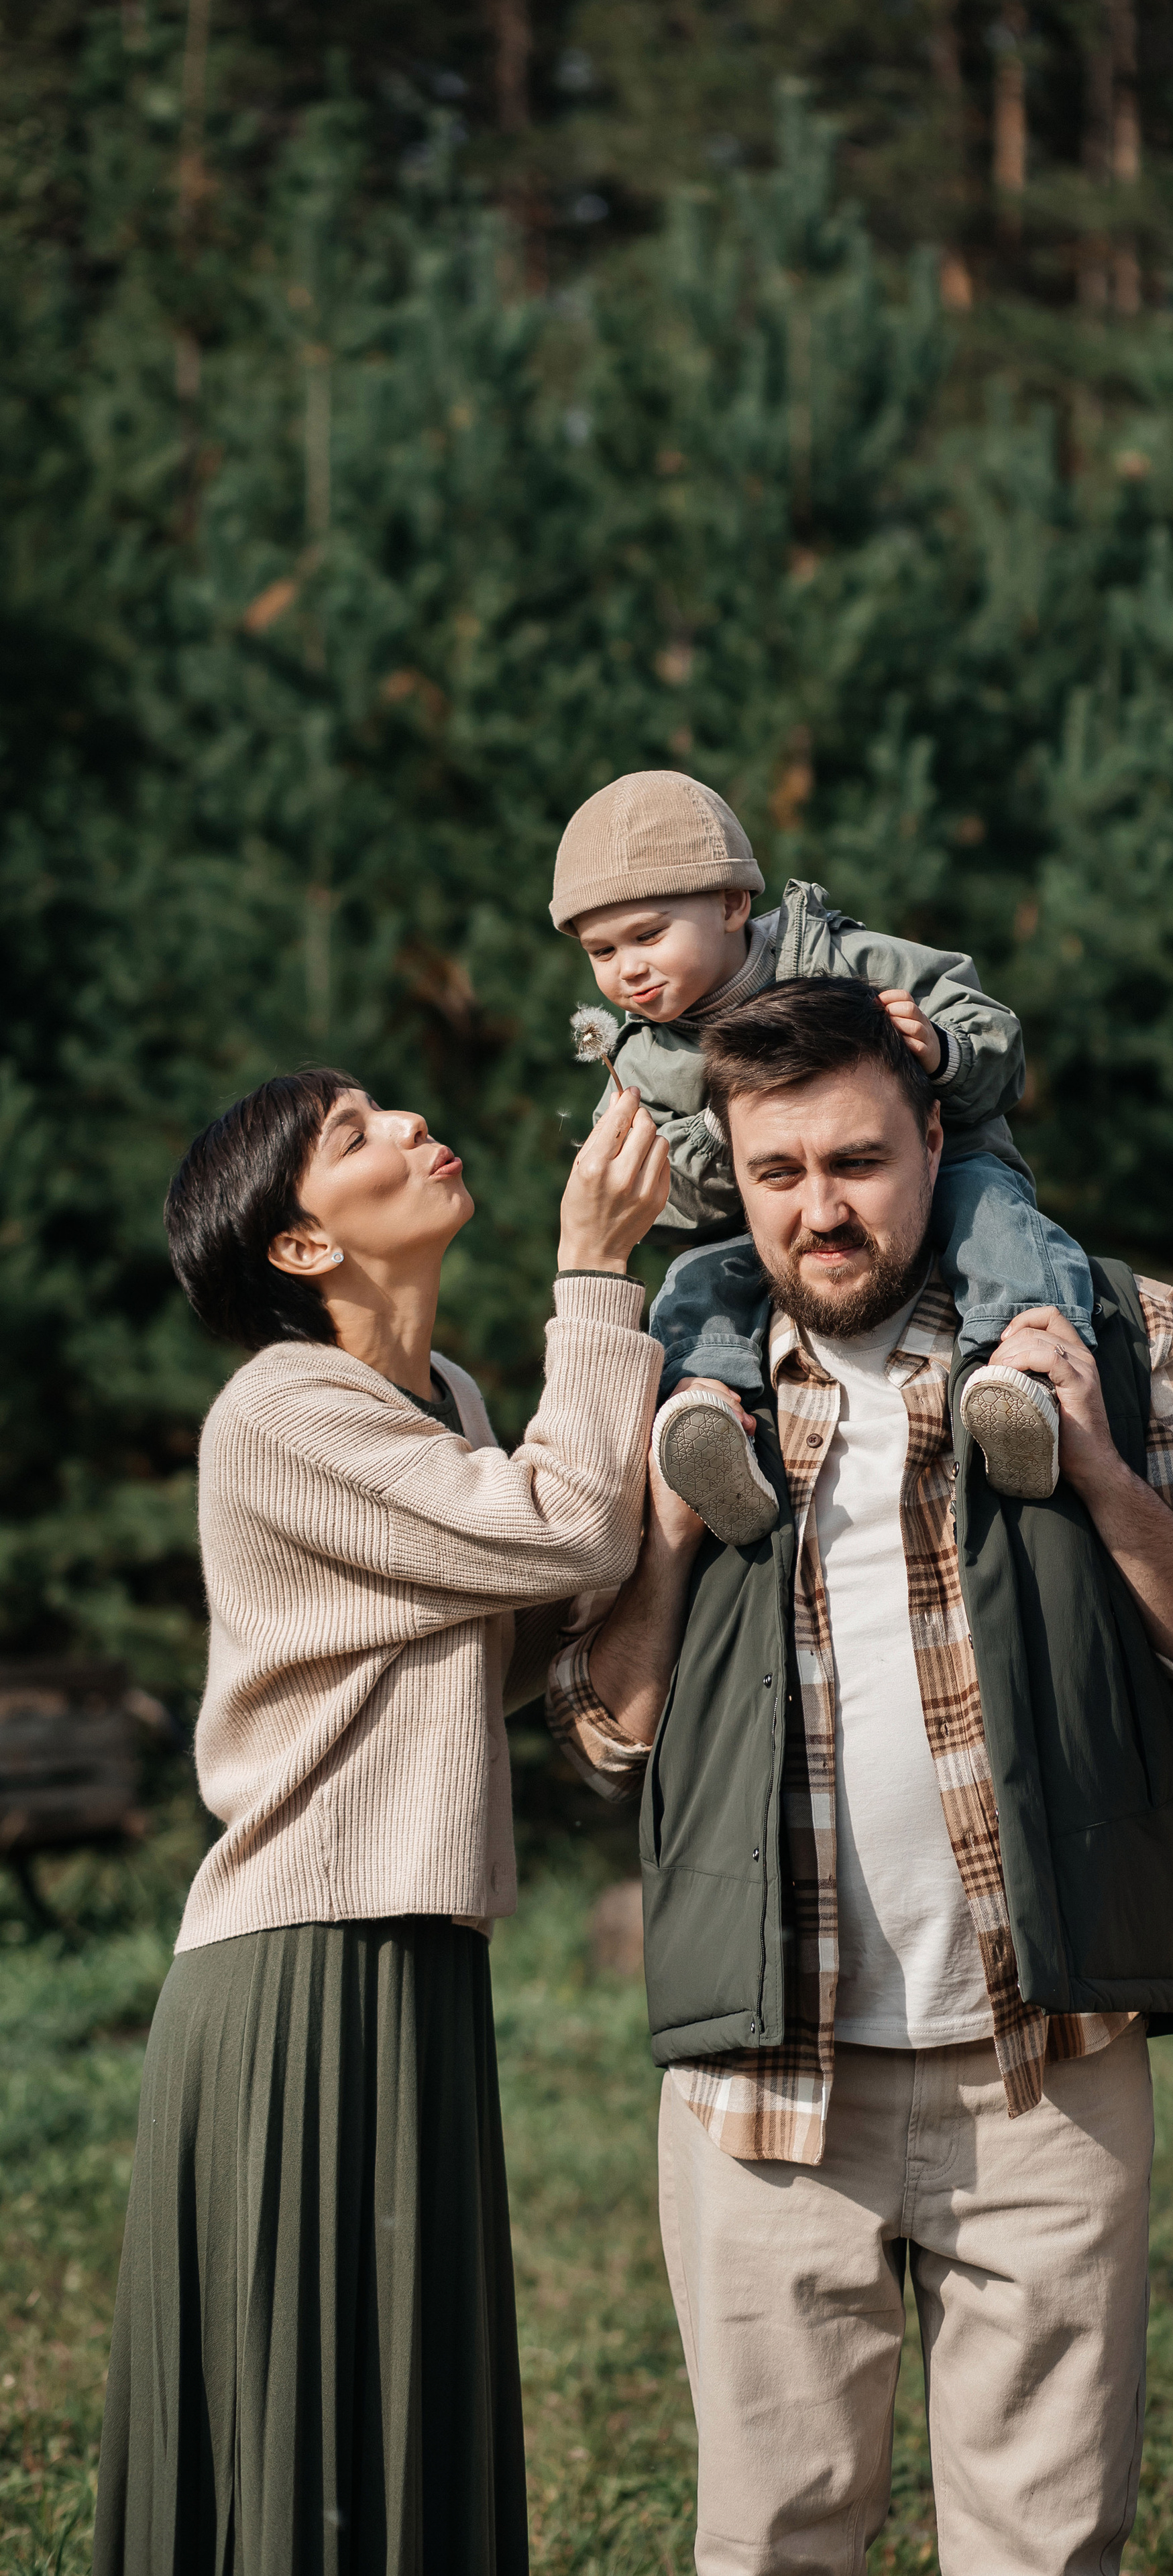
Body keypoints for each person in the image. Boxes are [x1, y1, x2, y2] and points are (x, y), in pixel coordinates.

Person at [545, 975, 1173, 2576]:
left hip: (1043, 2059)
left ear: (935, 1132)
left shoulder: (1112, 1324)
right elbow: (603, 1726)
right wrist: (671, 1536)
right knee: (771, 2539)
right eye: (778, 1173)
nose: (820, 1210)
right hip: (763, 2080)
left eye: (857, 1161)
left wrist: (1094, 1463)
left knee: (1043, 2547)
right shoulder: (688, 1381)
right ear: (730, 1175)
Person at [93, 1069, 670, 2575]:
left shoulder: (450, 1405)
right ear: (299, 1248)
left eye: (389, 1110)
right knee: (320, 2424)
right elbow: (568, 1527)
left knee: (397, 2412)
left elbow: (537, 1618)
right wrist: (595, 1271)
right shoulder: (282, 1412)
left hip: (411, 1948)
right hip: (298, 1968)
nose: (413, 1127)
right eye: (354, 1137)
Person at [549, 766, 1098, 1526]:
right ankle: (710, 1421)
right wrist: (722, 1130)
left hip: (944, 1169)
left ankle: (1020, 1379)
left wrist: (941, 1049)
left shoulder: (845, 959)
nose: (628, 968)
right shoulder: (636, 1060)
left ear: (733, 903)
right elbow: (663, 1200)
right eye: (601, 952)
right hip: (759, 1226)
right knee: (695, 1282)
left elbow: (995, 1036)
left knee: (994, 1225)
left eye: (648, 935)